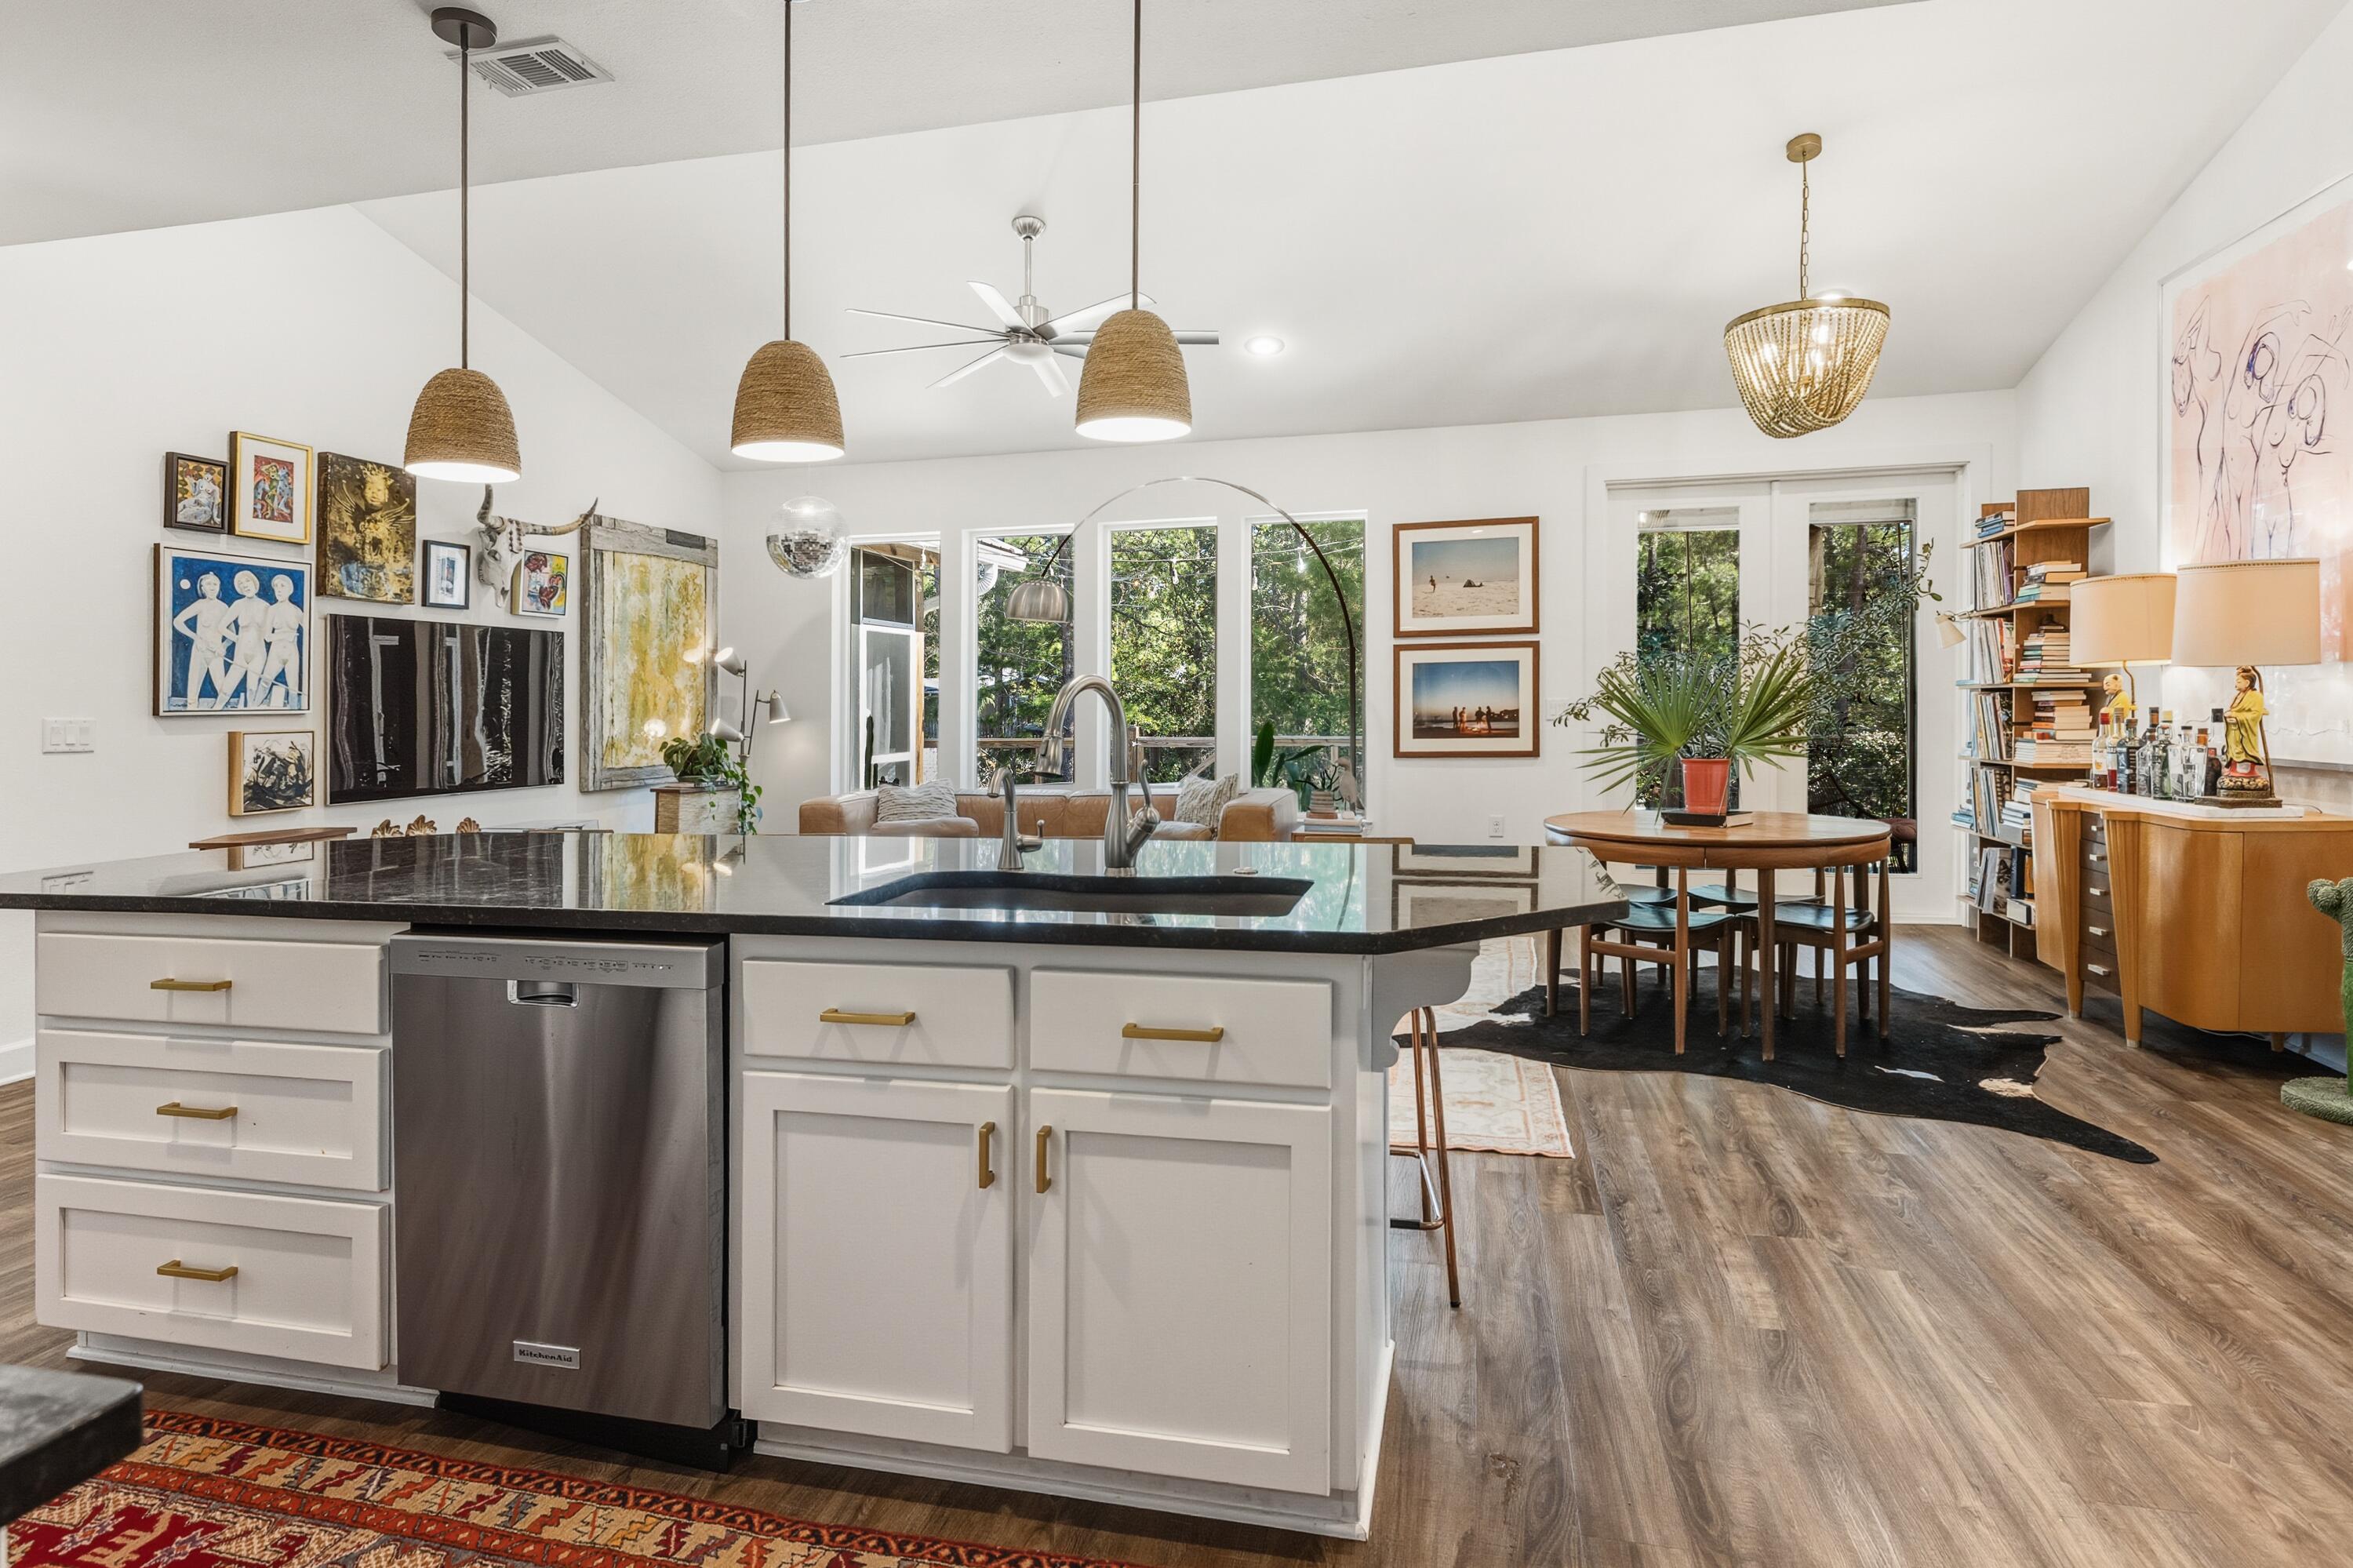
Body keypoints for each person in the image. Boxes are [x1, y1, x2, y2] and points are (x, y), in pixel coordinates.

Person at [169, 571, 234, 710]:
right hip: (200, 651)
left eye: (215, 584)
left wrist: (223, 647)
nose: (212, 587)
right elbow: (178, 621)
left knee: (222, 688)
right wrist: (196, 638)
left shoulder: (224, 607)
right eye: (208, 584)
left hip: (216, 654)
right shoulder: (200, 604)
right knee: (193, 690)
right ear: (202, 588)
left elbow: (232, 635)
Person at [255, 573, 304, 708]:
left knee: (293, 688)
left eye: (282, 586)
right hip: (276, 653)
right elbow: (267, 637)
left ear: (290, 589)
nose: (279, 589)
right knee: (265, 682)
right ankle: (253, 708)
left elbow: (311, 631)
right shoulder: (272, 610)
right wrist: (285, 636)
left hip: (292, 653)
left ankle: (295, 716)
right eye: (276, 586)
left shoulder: (296, 611)